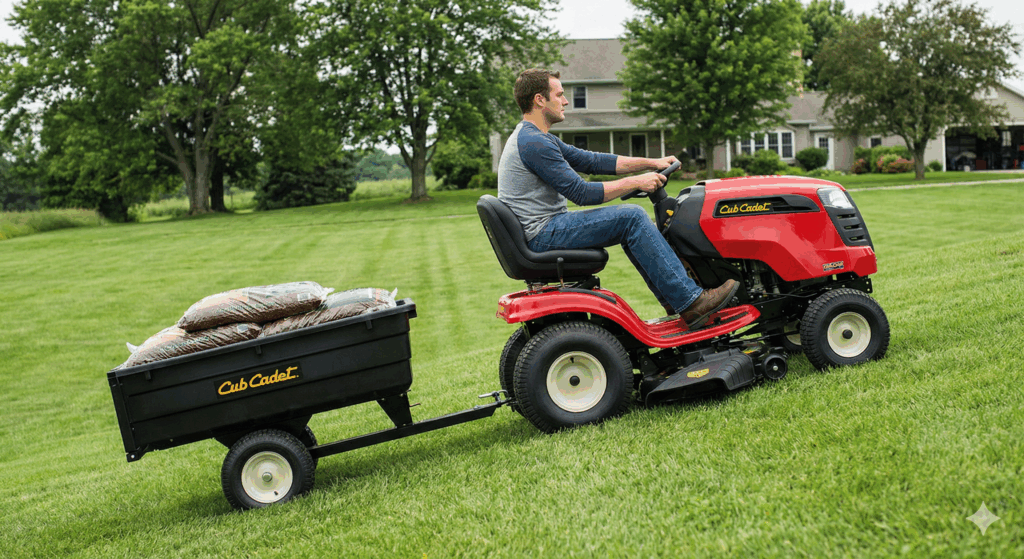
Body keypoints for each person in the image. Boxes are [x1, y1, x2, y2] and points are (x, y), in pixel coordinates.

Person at [496, 68, 738, 328]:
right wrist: (637, 182)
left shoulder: (536, 138)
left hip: (542, 229)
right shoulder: (535, 143)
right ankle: (691, 302)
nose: (565, 101)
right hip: (543, 233)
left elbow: (594, 161)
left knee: (628, 220)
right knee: (631, 217)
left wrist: (652, 162)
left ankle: (675, 298)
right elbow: (582, 193)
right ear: (539, 100)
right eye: (560, 94)